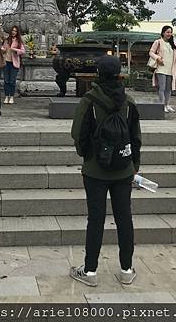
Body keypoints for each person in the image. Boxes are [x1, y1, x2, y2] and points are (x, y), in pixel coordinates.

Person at [70, 55, 142, 287]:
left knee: (96, 219)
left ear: (98, 74)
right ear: (119, 73)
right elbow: (136, 138)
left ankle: (90, 271)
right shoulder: (129, 102)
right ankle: (127, 270)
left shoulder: (89, 100)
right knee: (125, 218)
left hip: (95, 170)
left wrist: (87, 156)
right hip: (123, 169)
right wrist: (134, 166)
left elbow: (78, 133)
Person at [149, 25, 176, 113]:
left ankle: (167, 104)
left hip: (170, 70)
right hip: (160, 69)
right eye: (167, 32)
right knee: (162, 87)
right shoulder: (158, 42)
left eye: (170, 32)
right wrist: (157, 58)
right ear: (163, 33)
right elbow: (151, 52)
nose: (169, 34)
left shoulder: (173, 43)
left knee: (168, 88)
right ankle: (161, 105)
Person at [1, 25, 26, 104]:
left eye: (15, 31)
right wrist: (1, 49)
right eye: (12, 30)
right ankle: (6, 96)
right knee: (6, 80)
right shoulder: (7, 40)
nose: (13, 32)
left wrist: (14, 50)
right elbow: (3, 49)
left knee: (12, 81)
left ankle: (11, 96)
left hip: (14, 63)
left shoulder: (19, 41)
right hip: (6, 62)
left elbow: (23, 51)